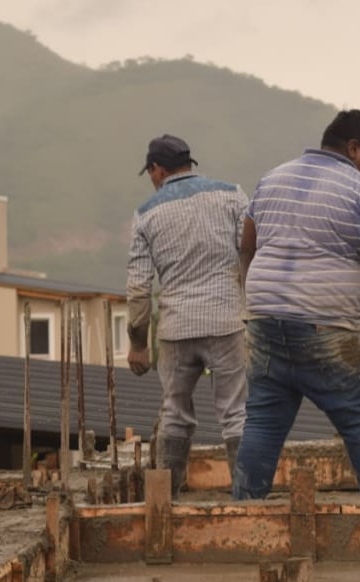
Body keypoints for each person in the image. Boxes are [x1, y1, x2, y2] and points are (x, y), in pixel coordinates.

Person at [235, 109, 360, 499]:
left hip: (265, 322)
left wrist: (253, 307)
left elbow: (246, 251)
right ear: (353, 149)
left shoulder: (271, 179)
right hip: (331, 327)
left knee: (262, 424)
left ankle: (245, 514)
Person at [127, 134, 249, 496]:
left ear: (156, 170)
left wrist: (138, 345)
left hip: (176, 328)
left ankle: (167, 497)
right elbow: (251, 254)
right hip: (226, 321)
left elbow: (138, 288)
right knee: (235, 412)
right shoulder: (232, 195)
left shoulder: (146, 214)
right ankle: (247, 494)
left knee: (175, 412)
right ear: (188, 164)